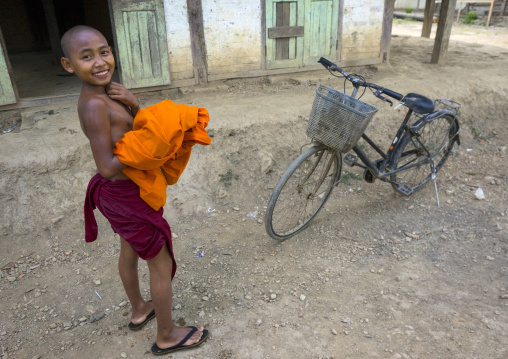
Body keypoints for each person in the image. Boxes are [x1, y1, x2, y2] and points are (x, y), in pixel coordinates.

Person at [60, 25, 209, 355]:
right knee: (160, 262)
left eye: (104, 51)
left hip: (126, 195)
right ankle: (167, 335)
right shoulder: (93, 105)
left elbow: (133, 131)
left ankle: (140, 307)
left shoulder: (109, 94)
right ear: (69, 65)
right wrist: (151, 143)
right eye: (86, 57)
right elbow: (107, 165)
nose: (99, 62)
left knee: (129, 250)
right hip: (125, 196)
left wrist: (136, 104)